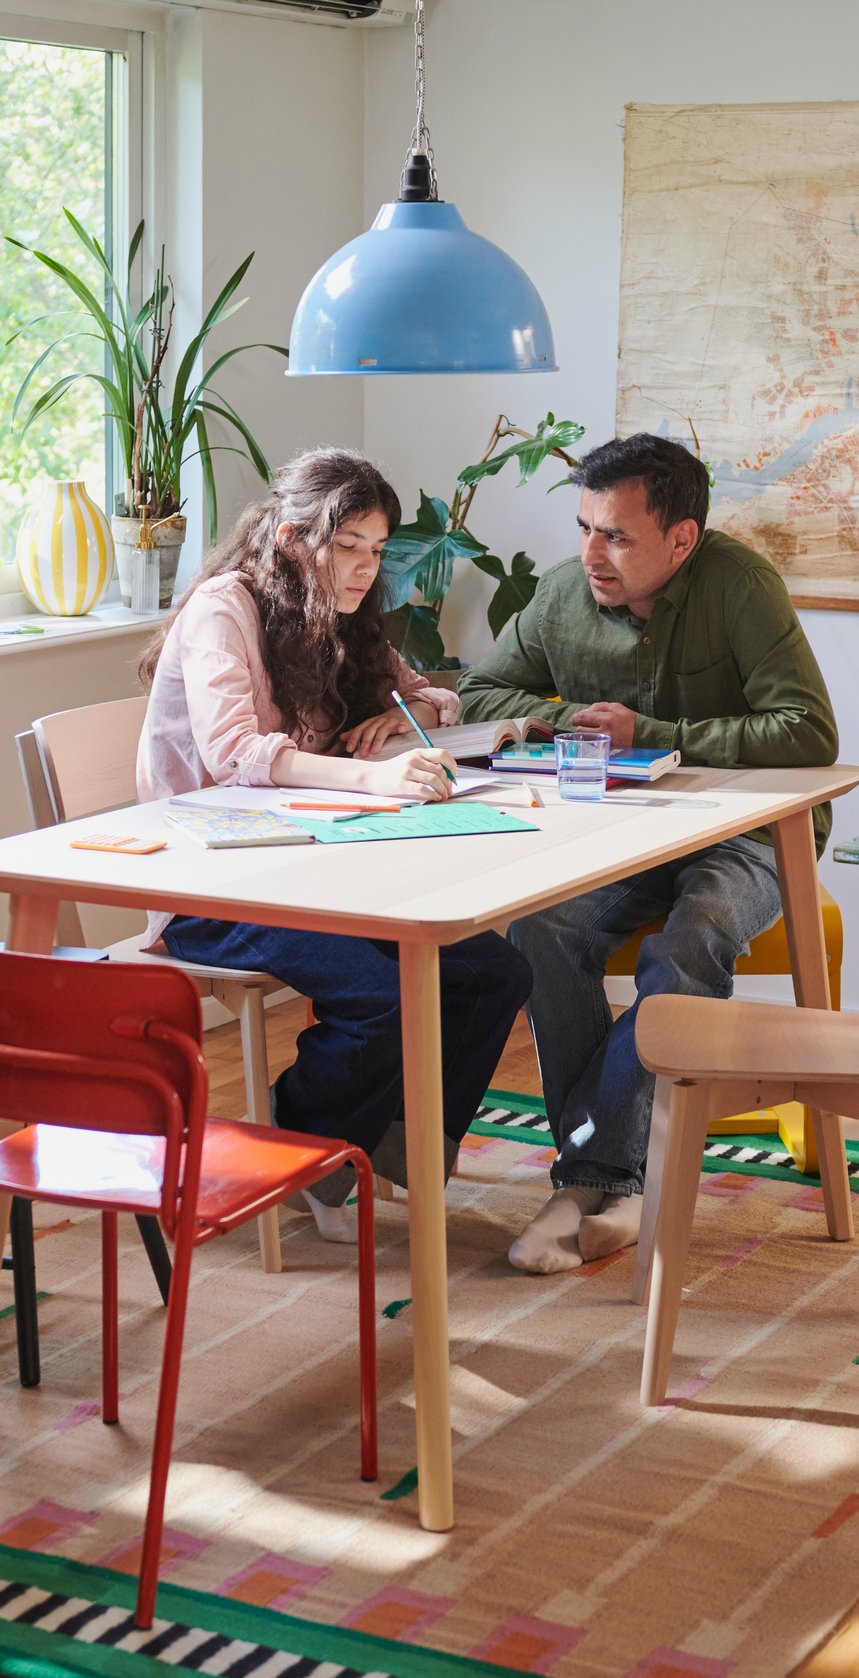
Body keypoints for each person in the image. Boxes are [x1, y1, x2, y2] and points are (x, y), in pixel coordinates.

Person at [457, 433, 838, 1274]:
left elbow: (808, 731)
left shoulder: (742, 587)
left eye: (618, 536)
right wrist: (561, 717)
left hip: (754, 832)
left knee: (691, 938)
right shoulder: (564, 594)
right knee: (541, 926)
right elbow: (481, 692)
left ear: (681, 539)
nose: (593, 552)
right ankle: (611, 1182)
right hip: (628, 835)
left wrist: (656, 735)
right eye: (586, 526)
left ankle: (593, 1175)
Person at [137, 448, 533, 1241]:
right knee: (378, 994)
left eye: (378, 549)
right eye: (348, 544)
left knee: (495, 970)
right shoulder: (227, 607)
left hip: (316, 871)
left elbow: (435, 691)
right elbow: (233, 754)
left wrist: (405, 710)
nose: (364, 567)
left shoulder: (338, 616)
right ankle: (304, 1141)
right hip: (211, 885)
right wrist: (375, 781)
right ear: (291, 538)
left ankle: (387, 1151)